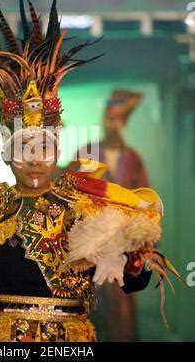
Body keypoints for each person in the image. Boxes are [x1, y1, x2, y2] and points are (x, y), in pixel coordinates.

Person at [0, 0, 181, 343]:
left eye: (44, 147)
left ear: (57, 149)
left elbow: (133, 280)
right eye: (23, 147)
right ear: (5, 152)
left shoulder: (88, 209)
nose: (34, 158)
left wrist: (130, 257)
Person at [57, 90, 150, 341]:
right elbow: (65, 185)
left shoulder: (133, 160)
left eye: (116, 120)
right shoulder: (87, 152)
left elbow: (146, 205)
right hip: (88, 246)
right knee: (85, 316)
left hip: (121, 248)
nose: (111, 124)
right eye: (108, 119)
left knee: (119, 314)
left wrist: (138, 241)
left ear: (124, 123)